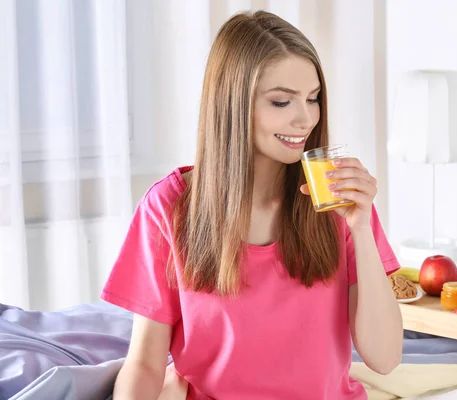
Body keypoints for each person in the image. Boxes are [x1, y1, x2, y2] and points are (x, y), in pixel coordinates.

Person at [101, 10, 404, 400]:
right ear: (232, 103)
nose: (305, 118)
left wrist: (360, 229)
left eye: (313, 99)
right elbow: (144, 364)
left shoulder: (338, 200)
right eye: (281, 102)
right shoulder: (169, 207)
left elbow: (384, 358)